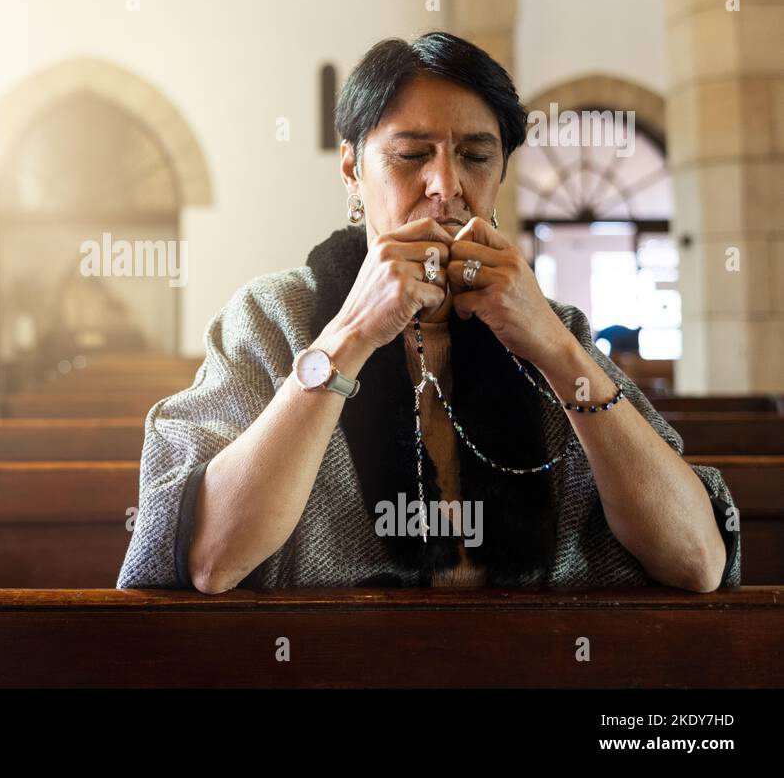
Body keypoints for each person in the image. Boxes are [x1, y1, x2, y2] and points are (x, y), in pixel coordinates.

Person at [116, 31, 740, 594]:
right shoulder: (273, 317)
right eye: (412, 155)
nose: (446, 184)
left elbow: (697, 561)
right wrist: (350, 335)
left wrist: (554, 347)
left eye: (476, 156)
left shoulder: (559, 330)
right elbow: (208, 558)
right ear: (351, 169)